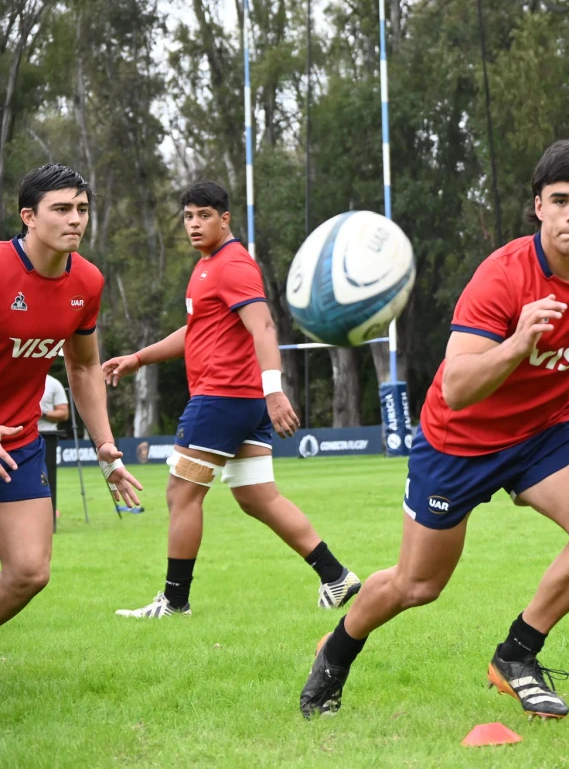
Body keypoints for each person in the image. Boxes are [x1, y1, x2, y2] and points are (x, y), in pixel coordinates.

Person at [298, 138, 569, 719]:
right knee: (418, 585)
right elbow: (460, 386)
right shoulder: (503, 276)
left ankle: (517, 654)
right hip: (458, 442)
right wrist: (519, 343)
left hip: (544, 431)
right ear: (537, 206)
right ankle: (337, 650)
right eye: (559, 199)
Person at [103, 182, 359, 618]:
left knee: (181, 495)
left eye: (204, 215)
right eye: (188, 216)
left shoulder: (233, 265)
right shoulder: (208, 266)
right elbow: (195, 332)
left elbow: (264, 328)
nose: (194, 224)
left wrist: (275, 390)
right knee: (258, 496)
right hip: (241, 402)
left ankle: (175, 602)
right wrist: (140, 358)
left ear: (225, 219)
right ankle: (336, 577)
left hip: (221, 397)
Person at [0, 163, 143, 627]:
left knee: (29, 572)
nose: (75, 219)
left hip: (20, 444)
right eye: (61, 209)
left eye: (81, 209)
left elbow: (81, 366)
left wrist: (106, 448)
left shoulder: (87, 282)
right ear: (29, 216)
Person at [39, 374, 69, 518]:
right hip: (17, 434)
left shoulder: (53, 383)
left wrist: (42, 413)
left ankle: (50, 511)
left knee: (47, 477)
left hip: (46, 436)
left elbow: (64, 413)